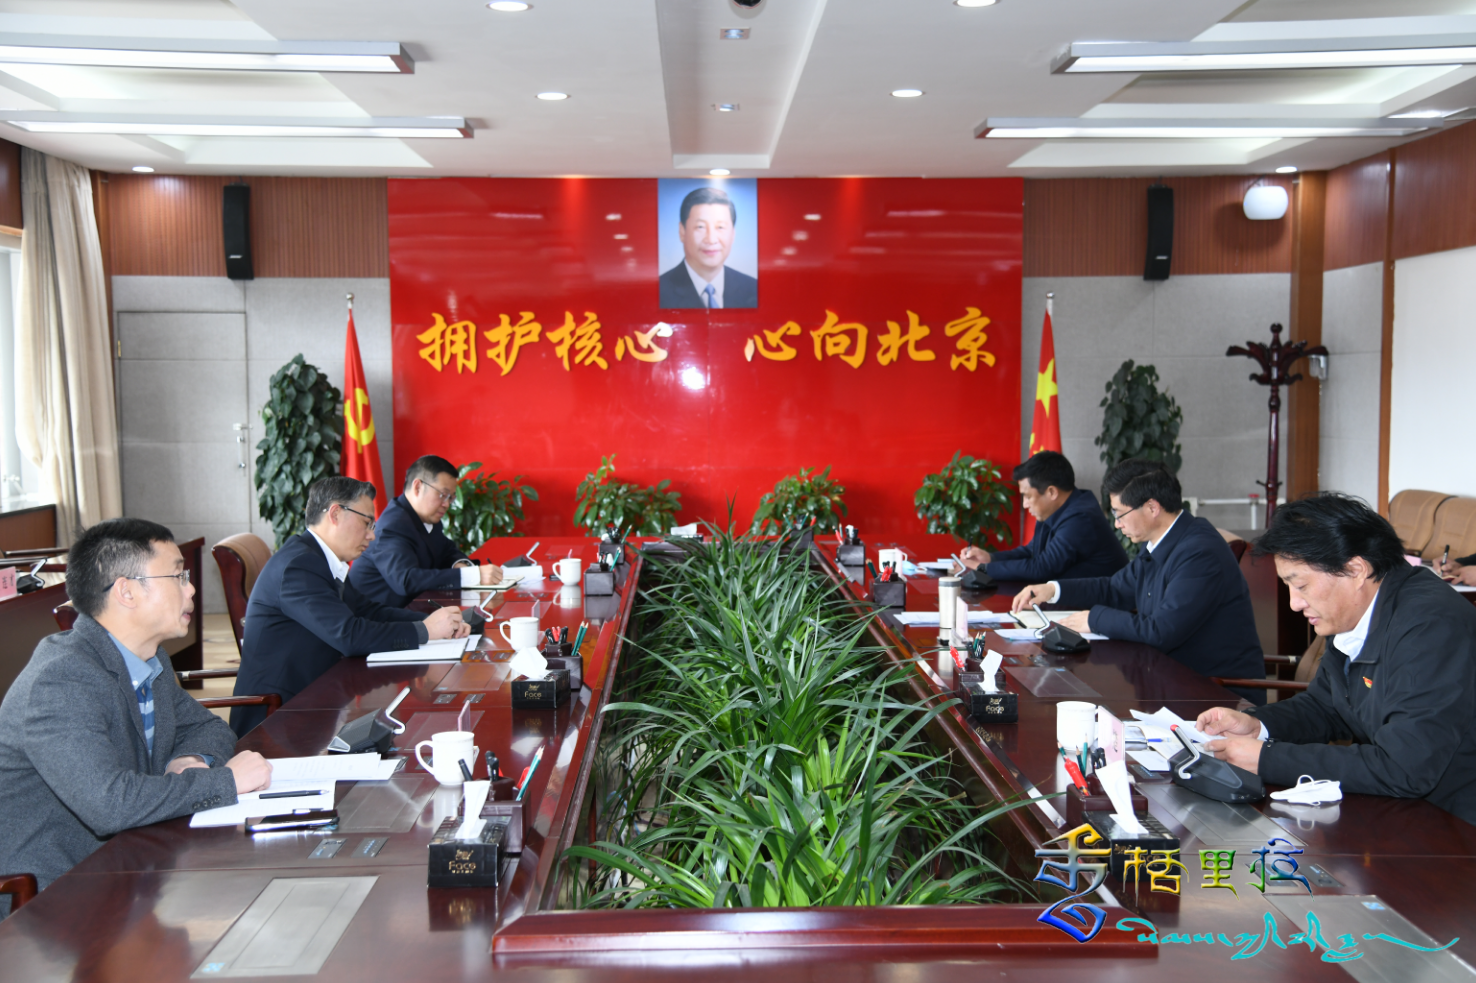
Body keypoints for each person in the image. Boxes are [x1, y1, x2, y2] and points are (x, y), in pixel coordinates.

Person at [0, 518, 272, 916]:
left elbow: (207, 726)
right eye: (177, 576)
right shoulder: (60, 681)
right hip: (51, 902)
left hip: (129, 866)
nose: (191, 589)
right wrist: (225, 781)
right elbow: (108, 805)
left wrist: (191, 759)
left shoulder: (148, 658)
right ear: (126, 591)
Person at [1198, 495, 1476, 825]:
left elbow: (1405, 768)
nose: (1295, 603)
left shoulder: (1430, 627)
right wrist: (1259, 726)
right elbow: (1327, 706)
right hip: (1401, 810)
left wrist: (1267, 759)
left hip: (1454, 824)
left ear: (1355, 570)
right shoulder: (1357, 610)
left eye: (1301, 585)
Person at [1011, 459, 1265, 701]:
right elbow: (1115, 588)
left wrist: (1093, 619)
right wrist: (1052, 589)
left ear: (1152, 508)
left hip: (1214, 694)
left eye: (1120, 514)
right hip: (1167, 679)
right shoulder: (1161, 540)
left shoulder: (1199, 552)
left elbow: (1161, 631)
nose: (1117, 524)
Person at [231, 477, 468, 736]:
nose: (372, 535)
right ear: (335, 514)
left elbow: (368, 611)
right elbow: (349, 635)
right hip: (276, 719)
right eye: (367, 523)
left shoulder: (319, 558)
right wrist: (426, 630)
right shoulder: (300, 566)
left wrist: (432, 621)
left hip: (315, 699)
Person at [347, 455, 504, 607]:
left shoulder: (425, 517)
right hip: (376, 618)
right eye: (443, 495)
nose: (447, 504)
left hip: (415, 609)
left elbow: (446, 550)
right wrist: (470, 576)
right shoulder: (392, 527)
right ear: (418, 487)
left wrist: (460, 566)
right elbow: (406, 581)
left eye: (451, 498)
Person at [957, 450, 1127, 582]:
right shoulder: (1055, 509)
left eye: (1028, 496)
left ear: (1052, 492)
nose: (1025, 505)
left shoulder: (1081, 518)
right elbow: (1032, 551)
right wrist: (990, 558)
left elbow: (1042, 568)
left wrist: (982, 569)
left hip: (1101, 606)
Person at [658, 186, 758, 309]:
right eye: (700, 227)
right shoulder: (659, 291)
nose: (711, 240)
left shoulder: (752, 288)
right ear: (682, 231)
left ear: (733, 234)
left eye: (720, 227)